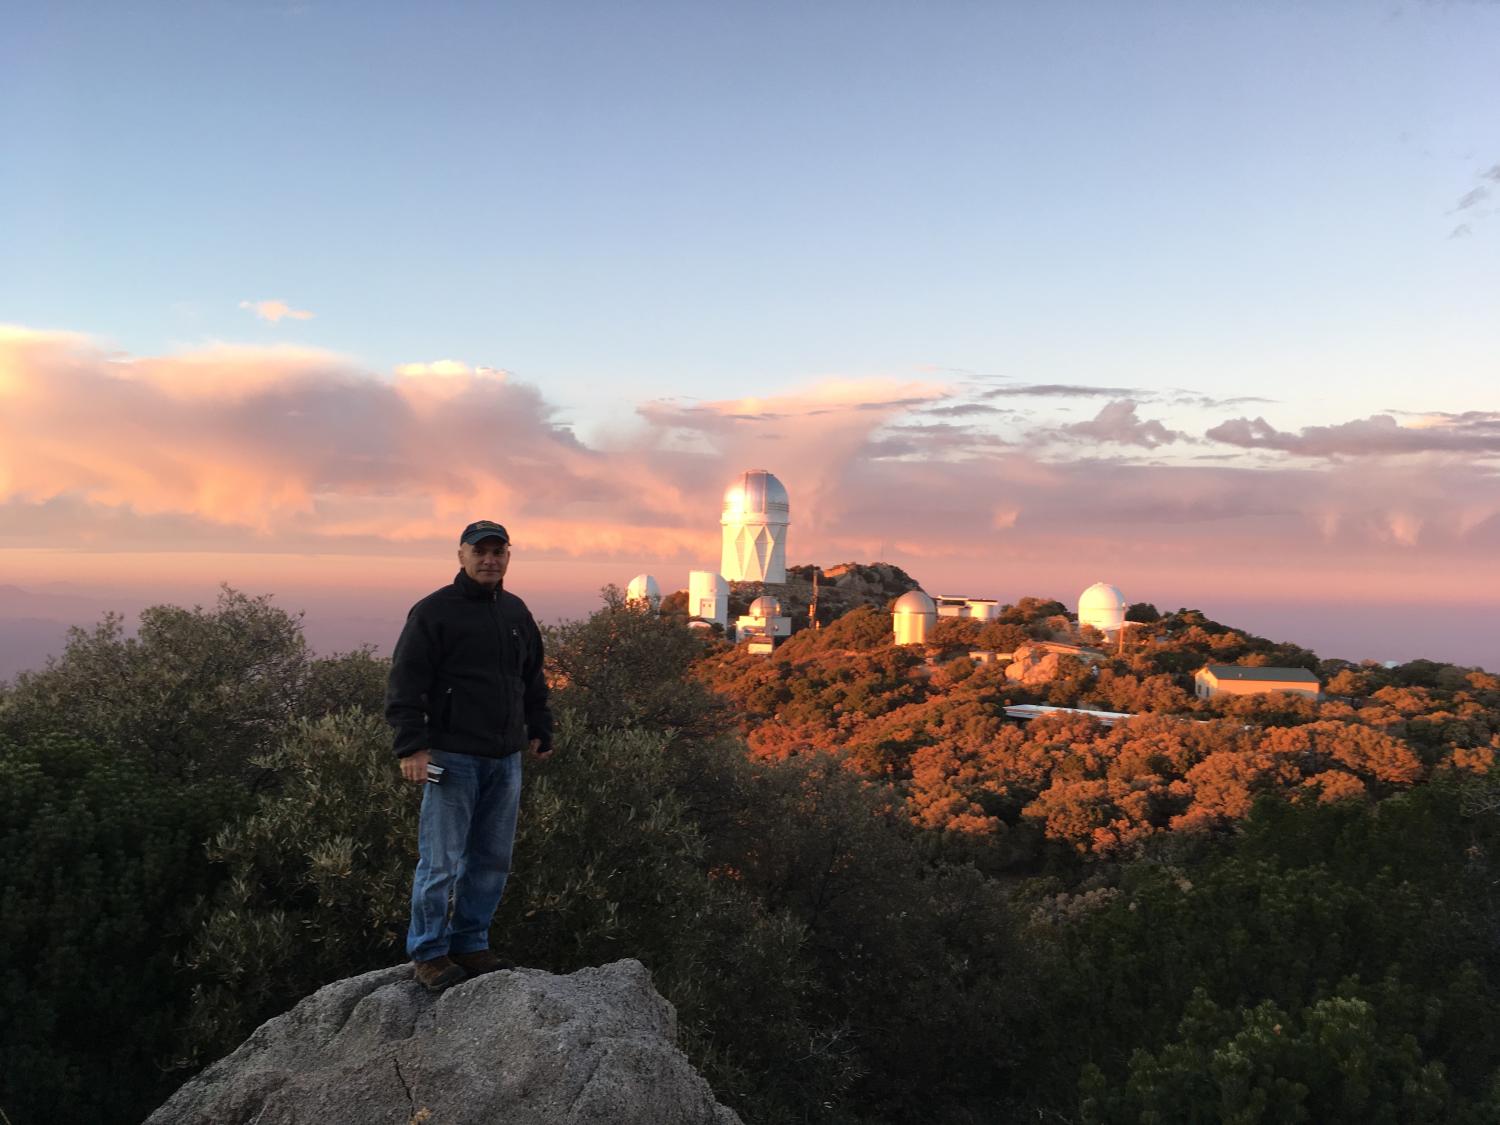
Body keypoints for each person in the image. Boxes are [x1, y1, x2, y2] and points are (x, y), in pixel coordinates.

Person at [385, 519, 553, 991]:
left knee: (492, 859)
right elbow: (405, 683)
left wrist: (540, 727)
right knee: (441, 862)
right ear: (461, 555)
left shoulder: (516, 612)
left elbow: (532, 678)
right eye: (480, 551)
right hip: (451, 757)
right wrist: (412, 747)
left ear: (508, 557)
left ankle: (471, 943)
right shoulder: (435, 612)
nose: (489, 559)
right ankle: (430, 953)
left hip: (505, 759)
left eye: (498, 551)